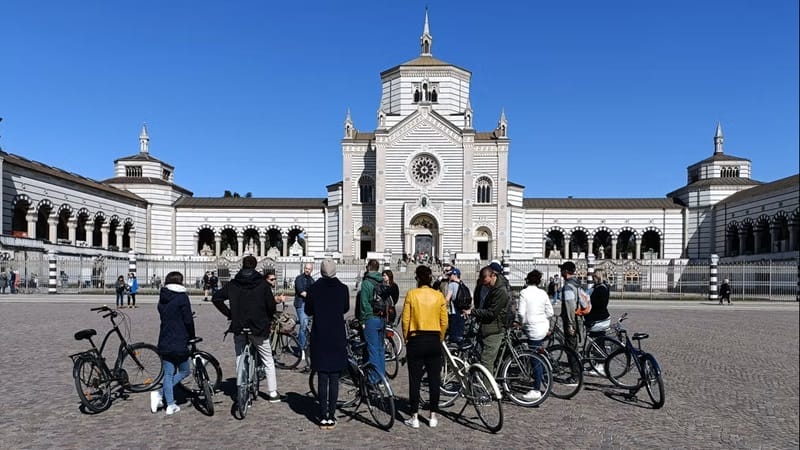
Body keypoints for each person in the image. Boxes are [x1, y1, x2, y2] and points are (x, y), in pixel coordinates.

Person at [212, 255, 281, 404]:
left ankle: (241, 387)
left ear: (242, 265)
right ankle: (273, 392)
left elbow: (216, 298)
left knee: (239, 356)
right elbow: (271, 306)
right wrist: (269, 318)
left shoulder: (233, 284)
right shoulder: (262, 285)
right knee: (268, 359)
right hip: (258, 327)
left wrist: (229, 313)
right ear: (255, 266)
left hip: (239, 325)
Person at [305, 259, 349, 430]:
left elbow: (308, 310)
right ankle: (331, 414)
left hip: (320, 335)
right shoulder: (343, 289)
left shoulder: (314, 289)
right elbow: (345, 308)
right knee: (334, 378)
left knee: (322, 377)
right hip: (337, 335)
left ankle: (323, 415)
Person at [401, 264, 448, 429]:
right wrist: (440, 338)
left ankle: (414, 417)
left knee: (415, 380)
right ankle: (433, 416)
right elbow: (444, 321)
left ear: (418, 279)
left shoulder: (411, 294)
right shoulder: (438, 296)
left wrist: (407, 338)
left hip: (416, 339)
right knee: (435, 380)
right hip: (434, 339)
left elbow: (405, 320)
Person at [150, 271, 195, 415]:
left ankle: (170, 405)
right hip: (180, 338)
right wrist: (192, 336)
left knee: (168, 374)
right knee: (184, 371)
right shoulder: (182, 297)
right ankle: (160, 393)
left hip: (165, 338)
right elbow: (188, 319)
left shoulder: (162, 297)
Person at [516, 269, 553, 401]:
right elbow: (550, 312)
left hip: (532, 328)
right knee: (539, 353)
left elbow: (521, 313)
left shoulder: (524, 293)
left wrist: (522, 323)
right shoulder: (542, 293)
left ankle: (536, 389)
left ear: (527, 280)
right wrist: (541, 317)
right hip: (543, 326)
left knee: (534, 358)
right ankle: (544, 375)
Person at [464, 266, 510, 372]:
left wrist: (473, 312)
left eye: (488, 283)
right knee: (481, 357)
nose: (487, 286)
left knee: (486, 361)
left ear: (493, 275)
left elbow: (492, 313)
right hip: (486, 327)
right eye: (485, 284)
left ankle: (487, 388)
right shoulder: (489, 286)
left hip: (494, 329)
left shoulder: (500, 290)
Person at [357, 259, 385, 381]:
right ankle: (382, 376)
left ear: (368, 268)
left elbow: (364, 304)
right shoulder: (382, 281)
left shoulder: (366, 283)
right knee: (380, 349)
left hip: (371, 318)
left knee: (372, 350)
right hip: (382, 318)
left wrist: (363, 321)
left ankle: (373, 379)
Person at [559, 261, 582, 352]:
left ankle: (575, 366)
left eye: (562, 270)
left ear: (566, 271)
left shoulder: (568, 286)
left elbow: (570, 307)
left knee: (571, 348)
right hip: (578, 317)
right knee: (574, 345)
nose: (560, 272)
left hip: (572, 319)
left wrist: (570, 325)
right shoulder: (577, 283)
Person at [294, 263, 315, 363]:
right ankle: (301, 349)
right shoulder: (299, 279)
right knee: (303, 325)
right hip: (301, 304)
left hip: (309, 305)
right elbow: (302, 292)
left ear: (311, 270)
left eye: (309, 269)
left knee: (309, 327)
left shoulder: (312, 280)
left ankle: (307, 346)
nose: (307, 270)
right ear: (304, 268)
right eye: (306, 268)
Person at [444, 268, 466, 343]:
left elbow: (447, 298)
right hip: (462, 311)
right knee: (460, 332)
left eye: (451, 275)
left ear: (455, 275)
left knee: (453, 333)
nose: (449, 277)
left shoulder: (452, 284)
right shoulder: (462, 284)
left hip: (454, 311)